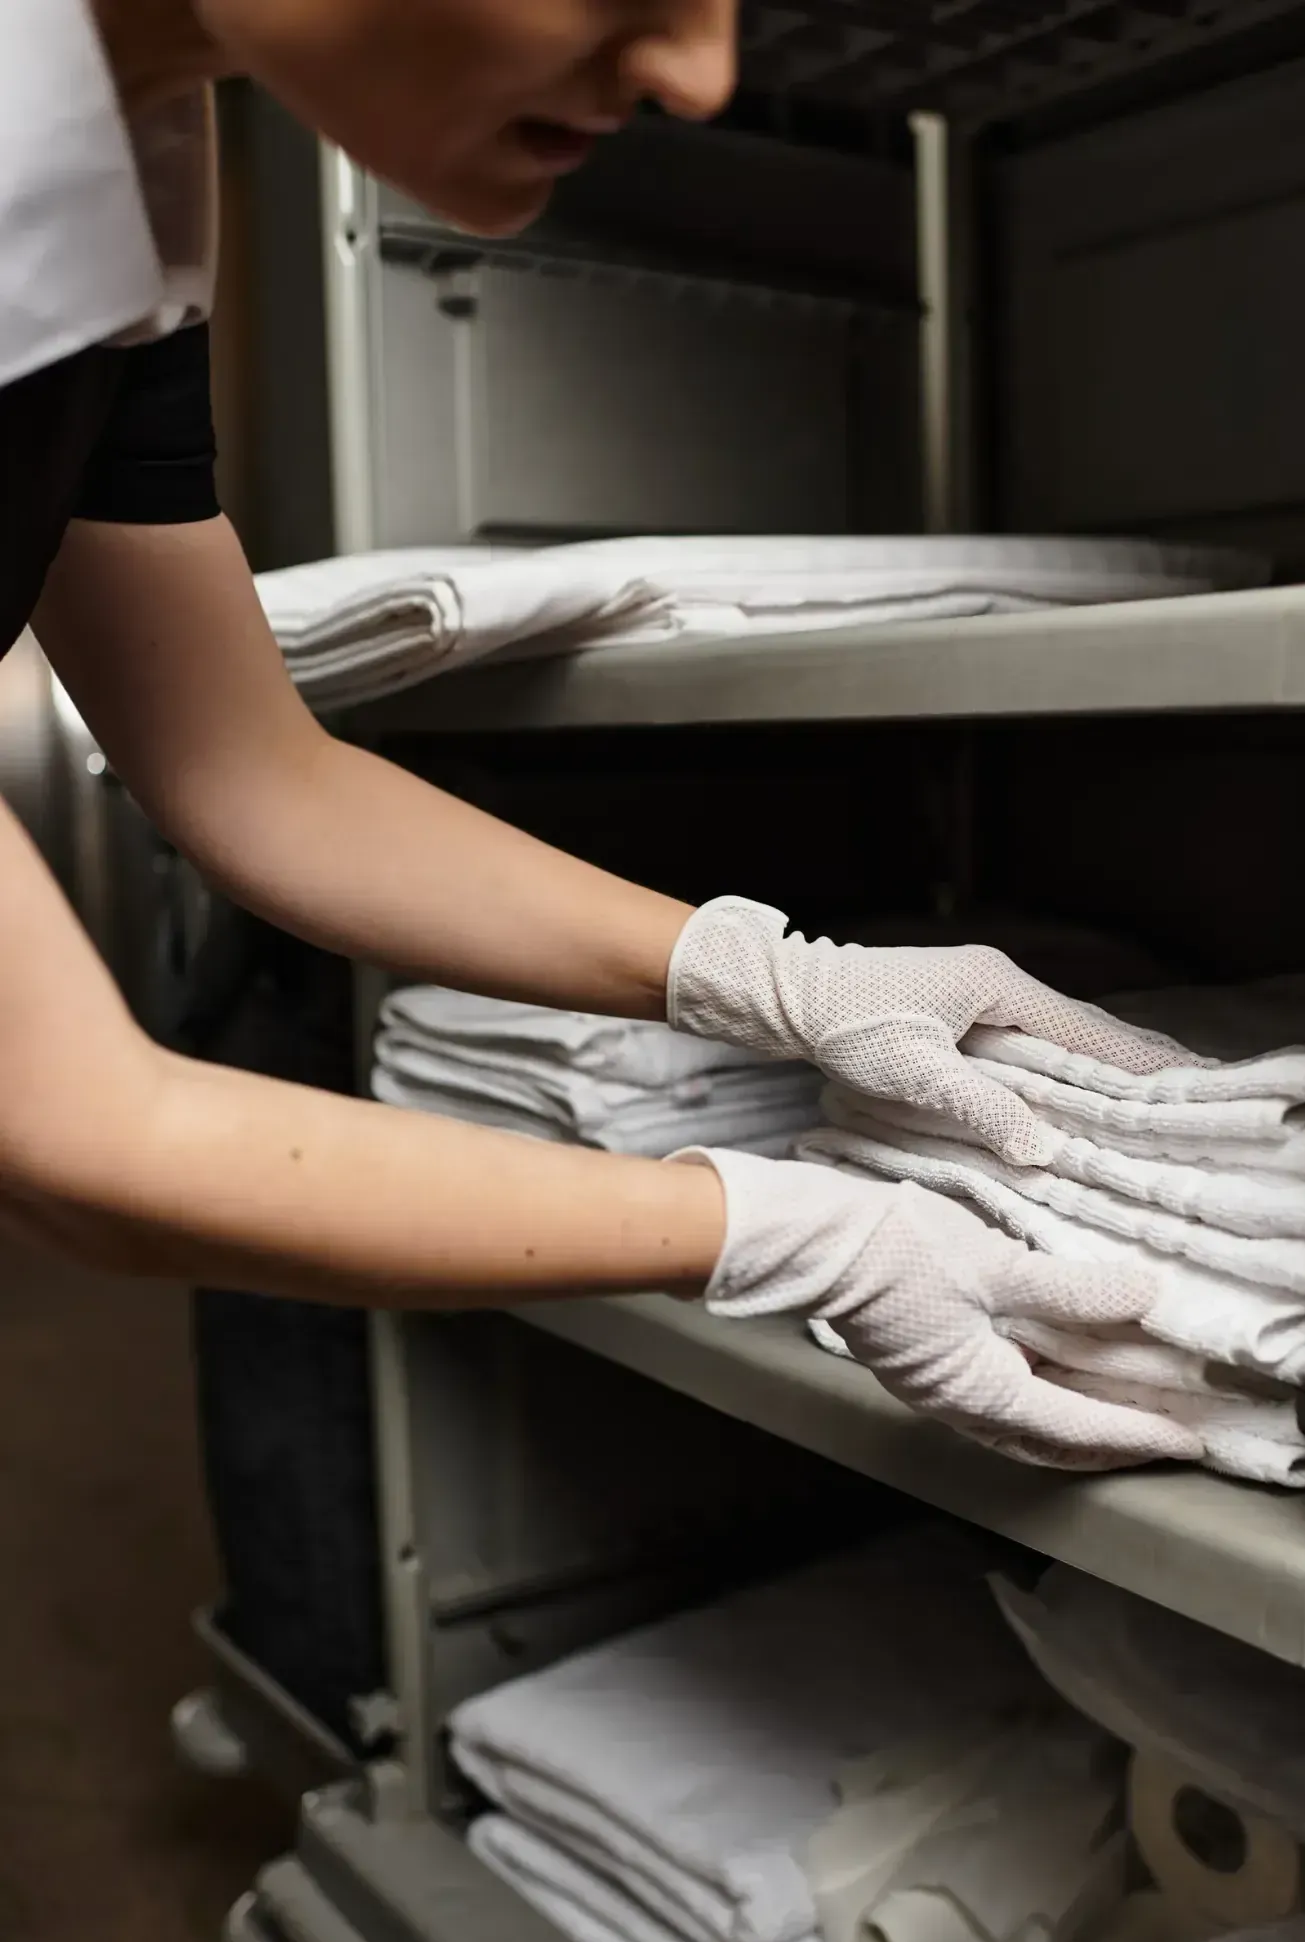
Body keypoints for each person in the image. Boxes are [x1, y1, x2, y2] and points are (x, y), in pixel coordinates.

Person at [0, 0, 1201, 1471]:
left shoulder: (131, 159)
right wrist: (797, 1236)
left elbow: (248, 772)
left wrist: (780, 979)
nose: (701, 78)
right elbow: (71, 1135)